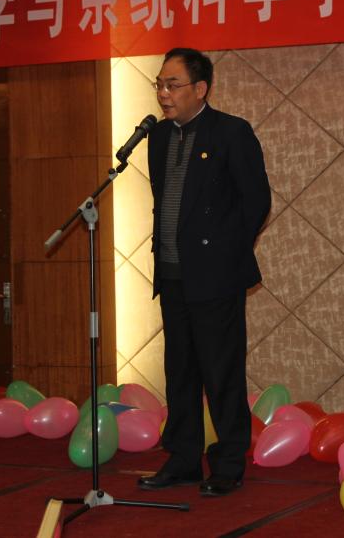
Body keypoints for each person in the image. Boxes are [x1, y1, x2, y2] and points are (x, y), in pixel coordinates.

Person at [137, 47, 270, 498]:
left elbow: (256, 201)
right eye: (159, 84)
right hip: (173, 273)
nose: (163, 93)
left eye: (172, 85)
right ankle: (184, 459)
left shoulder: (231, 132)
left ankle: (229, 462)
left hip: (215, 276)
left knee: (221, 372)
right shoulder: (158, 138)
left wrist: (225, 256)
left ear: (200, 89)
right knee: (180, 372)